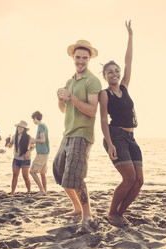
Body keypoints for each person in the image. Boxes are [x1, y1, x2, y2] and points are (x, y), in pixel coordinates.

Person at [99, 20, 144, 224]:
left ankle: (120, 212)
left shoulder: (124, 86)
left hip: (131, 137)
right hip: (115, 135)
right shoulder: (105, 94)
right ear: (105, 76)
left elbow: (129, 62)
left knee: (139, 180)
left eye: (116, 71)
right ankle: (112, 212)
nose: (115, 74)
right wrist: (110, 144)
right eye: (110, 72)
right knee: (128, 179)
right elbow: (102, 120)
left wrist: (131, 37)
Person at [53, 39, 102, 225]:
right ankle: (77, 208)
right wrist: (60, 98)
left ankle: (87, 214)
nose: (80, 61)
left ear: (89, 59)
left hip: (82, 134)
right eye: (77, 57)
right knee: (60, 172)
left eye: (84, 58)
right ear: (73, 58)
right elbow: (64, 110)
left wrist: (72, 97)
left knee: (76, 175)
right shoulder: (70, 80)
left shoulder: (92, 81)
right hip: (68, 133)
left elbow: (92, 110)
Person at [5, 120, 34, 194]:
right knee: (15, 176)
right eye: (19, 127)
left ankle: (28, 191)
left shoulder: (28, 137)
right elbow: (10, 146)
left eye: (22, 127)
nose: (20, 128)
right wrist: (7, 142)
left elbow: (33, 146)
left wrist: (28, 152)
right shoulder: (14, 136)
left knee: (25, 177)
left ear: (24, 129)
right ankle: (12, 192)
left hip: (25, 159)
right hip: (16, 159)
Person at [29, 111, 50, 195]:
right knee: (42, 173)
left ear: (35, 118)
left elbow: (42, 140)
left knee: (32, 172)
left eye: (33, 119)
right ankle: (44, 190)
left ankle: (41, 190)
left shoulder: (40, 126)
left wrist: (34, 140)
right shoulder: (44, 125)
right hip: (45, 152)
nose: (33, 121)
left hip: (41, 153)